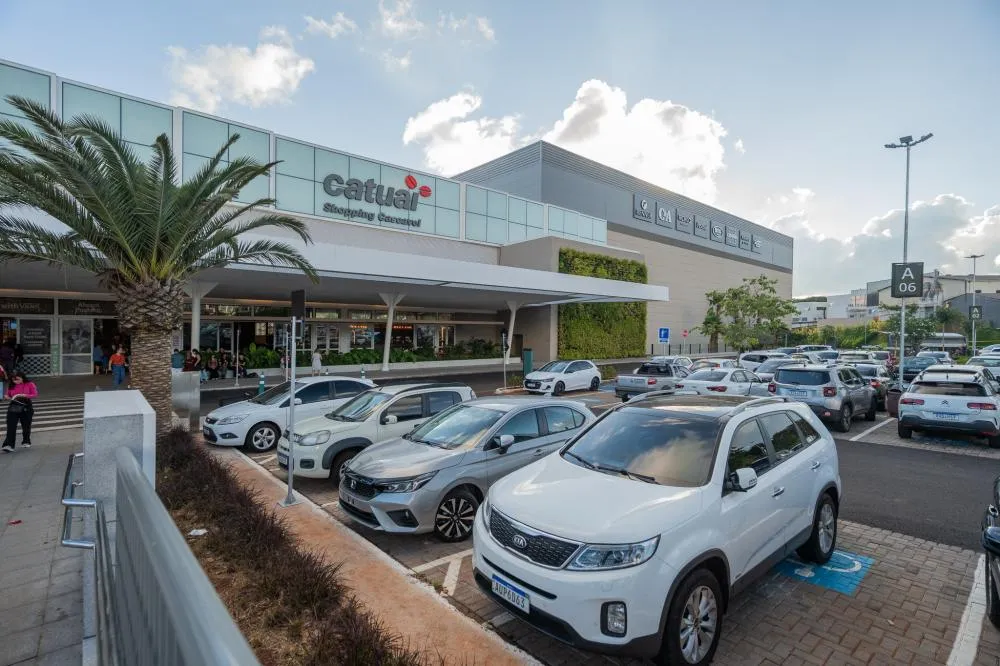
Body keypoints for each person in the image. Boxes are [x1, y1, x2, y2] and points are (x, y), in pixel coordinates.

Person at [3, 372, 38, 452]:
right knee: (11, 425)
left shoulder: (30, 384)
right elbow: (7, 394)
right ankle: (8, 445)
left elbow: (35, 394)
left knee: (26, 425)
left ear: (22, 377)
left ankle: (26, 441)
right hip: (14, 405)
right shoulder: (11, 385)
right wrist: (7, 397)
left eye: (18, 379)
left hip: (26, 406)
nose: (16, 381)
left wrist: (25, 395)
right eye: (14, 380)